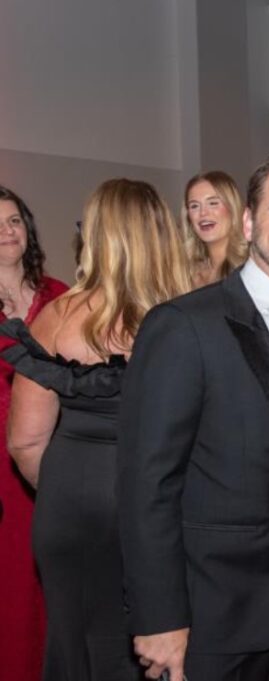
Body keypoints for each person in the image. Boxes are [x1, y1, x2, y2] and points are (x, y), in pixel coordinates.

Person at [118, 149, 269, 681]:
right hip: (210, 615)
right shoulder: (183, 326)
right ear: (248, 222)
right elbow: (145, 483)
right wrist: (159, 616)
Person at [3, 179, 190, 680]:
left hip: (72, 510)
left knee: (75, 649)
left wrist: (70, 487)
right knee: (161, 650)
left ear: (96, 236)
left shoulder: (57, 317)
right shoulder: (190, 319)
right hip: (165, 510)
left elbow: (24, 441)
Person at [0, 185, 69, 681]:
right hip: (1, 463)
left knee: (56, 576)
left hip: (56, 453)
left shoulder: (60, 296)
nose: (7, 232)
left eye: (14, 221)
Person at [182, 170, 248, 287]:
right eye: (194, 206)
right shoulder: (185, 273)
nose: (203, 213)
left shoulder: (252, 268)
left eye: (213, 203)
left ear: (232, 207)